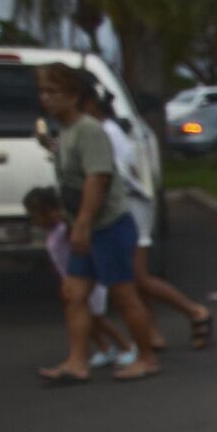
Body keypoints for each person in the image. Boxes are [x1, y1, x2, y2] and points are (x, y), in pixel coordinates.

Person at [34, 63, 161, 383]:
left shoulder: (90, 130)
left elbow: (98, 179)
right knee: (74, 294)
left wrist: (83, 224)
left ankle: (146, 358)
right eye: (42, 92)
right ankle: (77, 362)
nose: (46, 99)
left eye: (53, 92)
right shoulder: (66, 132)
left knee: (123, 294)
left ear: (74, 96)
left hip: (107, 226)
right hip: (85, 225)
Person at [93, 94, 214, 350]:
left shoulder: (107, 132)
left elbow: (117, 174)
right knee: (134, 278)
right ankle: (152, 333)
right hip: (124, 207)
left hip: (131, 207)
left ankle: (195, 311)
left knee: (138, 277)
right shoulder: (104, 130)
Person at [25, 186, 135, 369]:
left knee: (96, 318)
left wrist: (65, 218)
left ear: (50, 212)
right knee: (85, 319)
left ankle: (126, 346)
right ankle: (105, 348)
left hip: (88, 279)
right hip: (70, 280)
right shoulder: (52, 233)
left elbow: (74, 234)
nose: (34, 220)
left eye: (37, 215)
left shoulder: (64, 228)